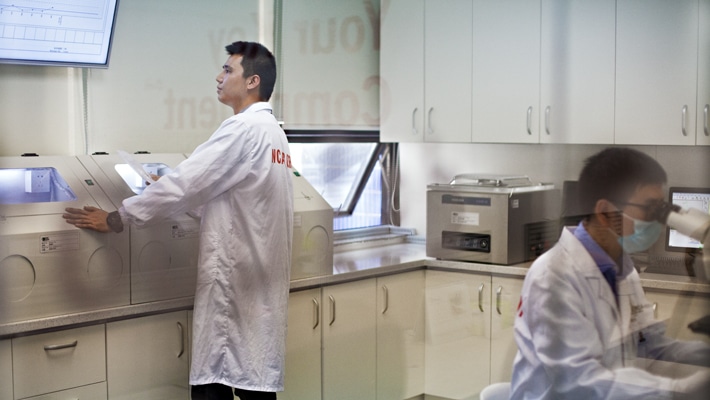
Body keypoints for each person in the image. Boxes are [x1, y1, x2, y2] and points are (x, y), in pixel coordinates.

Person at [63, 41, 293, 400]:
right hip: (257, 284)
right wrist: (171, 191)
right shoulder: (274, 133)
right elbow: (230, 200)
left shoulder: (243, 130)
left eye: (228, 70)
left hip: (236, 285)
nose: (219, 77)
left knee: (217, 382)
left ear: (253, 81)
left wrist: (117, 217)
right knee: (252, 386)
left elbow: (187, 183)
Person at [510, 147, 710, 399]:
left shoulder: (621, 269)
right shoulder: (553, 277)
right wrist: (678, 391)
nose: (657, 220)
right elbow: (580, 380)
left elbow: (649, 345)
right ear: (605, 212)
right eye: (650, 208)